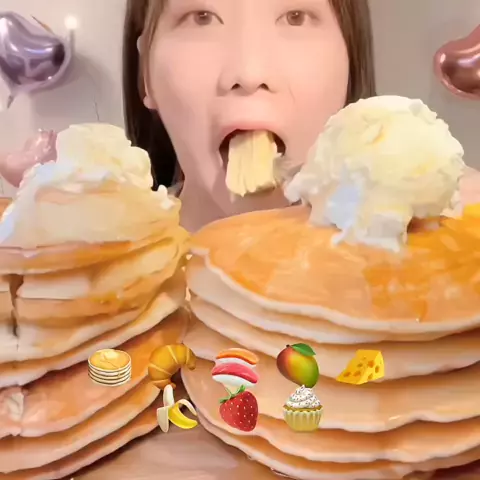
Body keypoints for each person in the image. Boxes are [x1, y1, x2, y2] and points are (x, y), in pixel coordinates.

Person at [123, 0, 376, 231]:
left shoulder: (394, 263)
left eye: (295, 17)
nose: (249, 74)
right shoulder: (103, 263)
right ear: (146, 74)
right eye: (202, 18)